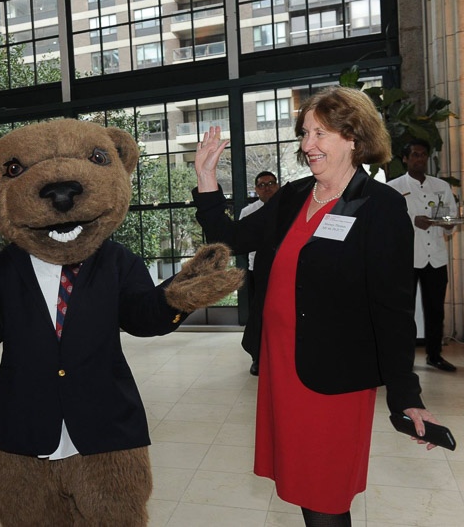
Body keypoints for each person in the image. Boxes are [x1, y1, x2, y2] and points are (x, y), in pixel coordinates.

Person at [192, 87, 442, 527]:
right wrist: (207, 179)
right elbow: (232, 240)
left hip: (334, 377)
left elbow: (393, 309)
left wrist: (406, 395)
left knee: (326, 494)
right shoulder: (293, 196)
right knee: (304, 487)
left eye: (320, 134)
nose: (307, 145)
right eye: (305, 133)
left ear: (354, 138)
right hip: (284, 365)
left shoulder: (379, 206)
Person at [387, 139, 458, 372]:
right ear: (405, 159)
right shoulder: (393, 187)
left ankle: (434, 355)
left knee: (435, 309)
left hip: (435, 257)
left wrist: (448, 224)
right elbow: (387, 223)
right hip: (407, 259)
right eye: (415, 154)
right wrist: (412, 221)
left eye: (424, 154)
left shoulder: (441, 186)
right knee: (403, 310)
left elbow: (451, 218)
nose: (420, 159)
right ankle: (402, 358)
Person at [239, 171, 279, 376]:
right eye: (262, 185)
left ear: (278, 185)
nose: (267, 187)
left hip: (283, 271)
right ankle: (257, 357)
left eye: (271, 183)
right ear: (256, 190)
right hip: (258, 271)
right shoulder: (248, 212)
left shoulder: (289, 209)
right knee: (258, 316)